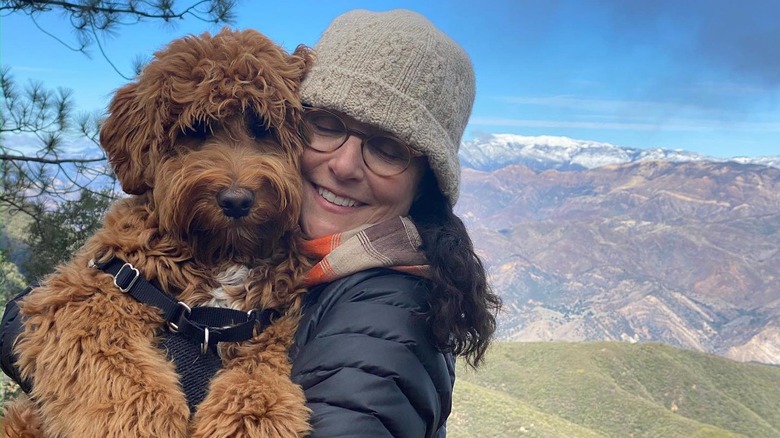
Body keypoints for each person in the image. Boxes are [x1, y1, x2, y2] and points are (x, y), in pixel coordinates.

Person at [288, 9, 502, 437]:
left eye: (387, 150)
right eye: (326, 124)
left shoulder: (390, 318)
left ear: (424, 186)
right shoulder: (290, 268)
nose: (345, 165)